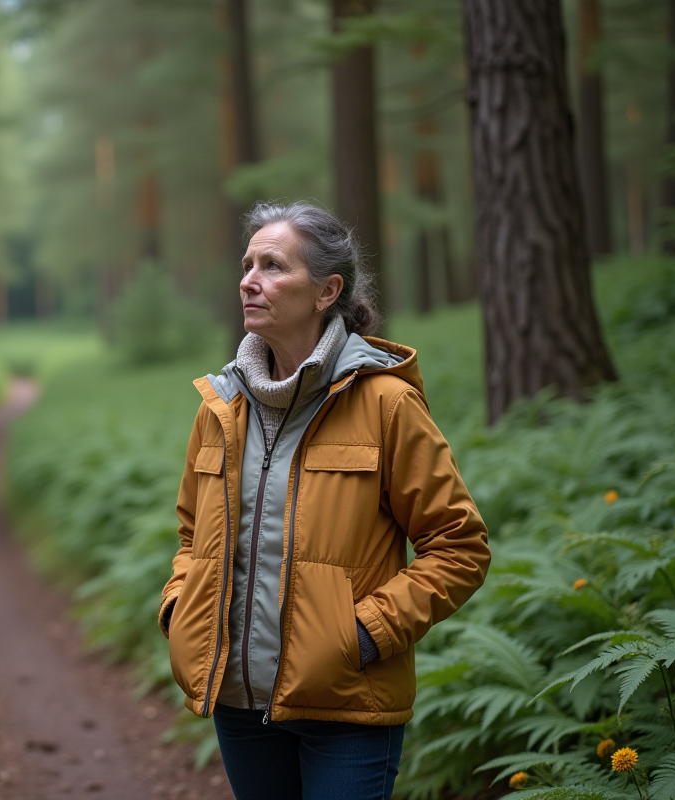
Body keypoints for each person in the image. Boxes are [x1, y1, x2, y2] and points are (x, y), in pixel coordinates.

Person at [158, 201, 490, 800]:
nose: (249, 280)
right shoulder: (220, 408)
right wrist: (180, 606)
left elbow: (459, 546)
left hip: (347, 706)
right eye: (247, 264)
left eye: (272, 265)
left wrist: (360, 634)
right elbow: (191, 537)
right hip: (238, 700)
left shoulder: (385, 403)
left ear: (326, 290)